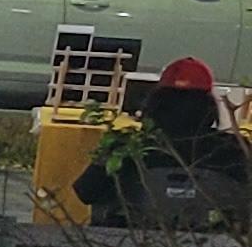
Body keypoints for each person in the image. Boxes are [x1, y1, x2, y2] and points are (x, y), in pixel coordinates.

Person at [74, 55, 252, 230]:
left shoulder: (126, 147)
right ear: (209, 106)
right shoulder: (235, 149)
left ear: (155, 103)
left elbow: (85, 192)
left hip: (132, 243)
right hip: (218, 246)